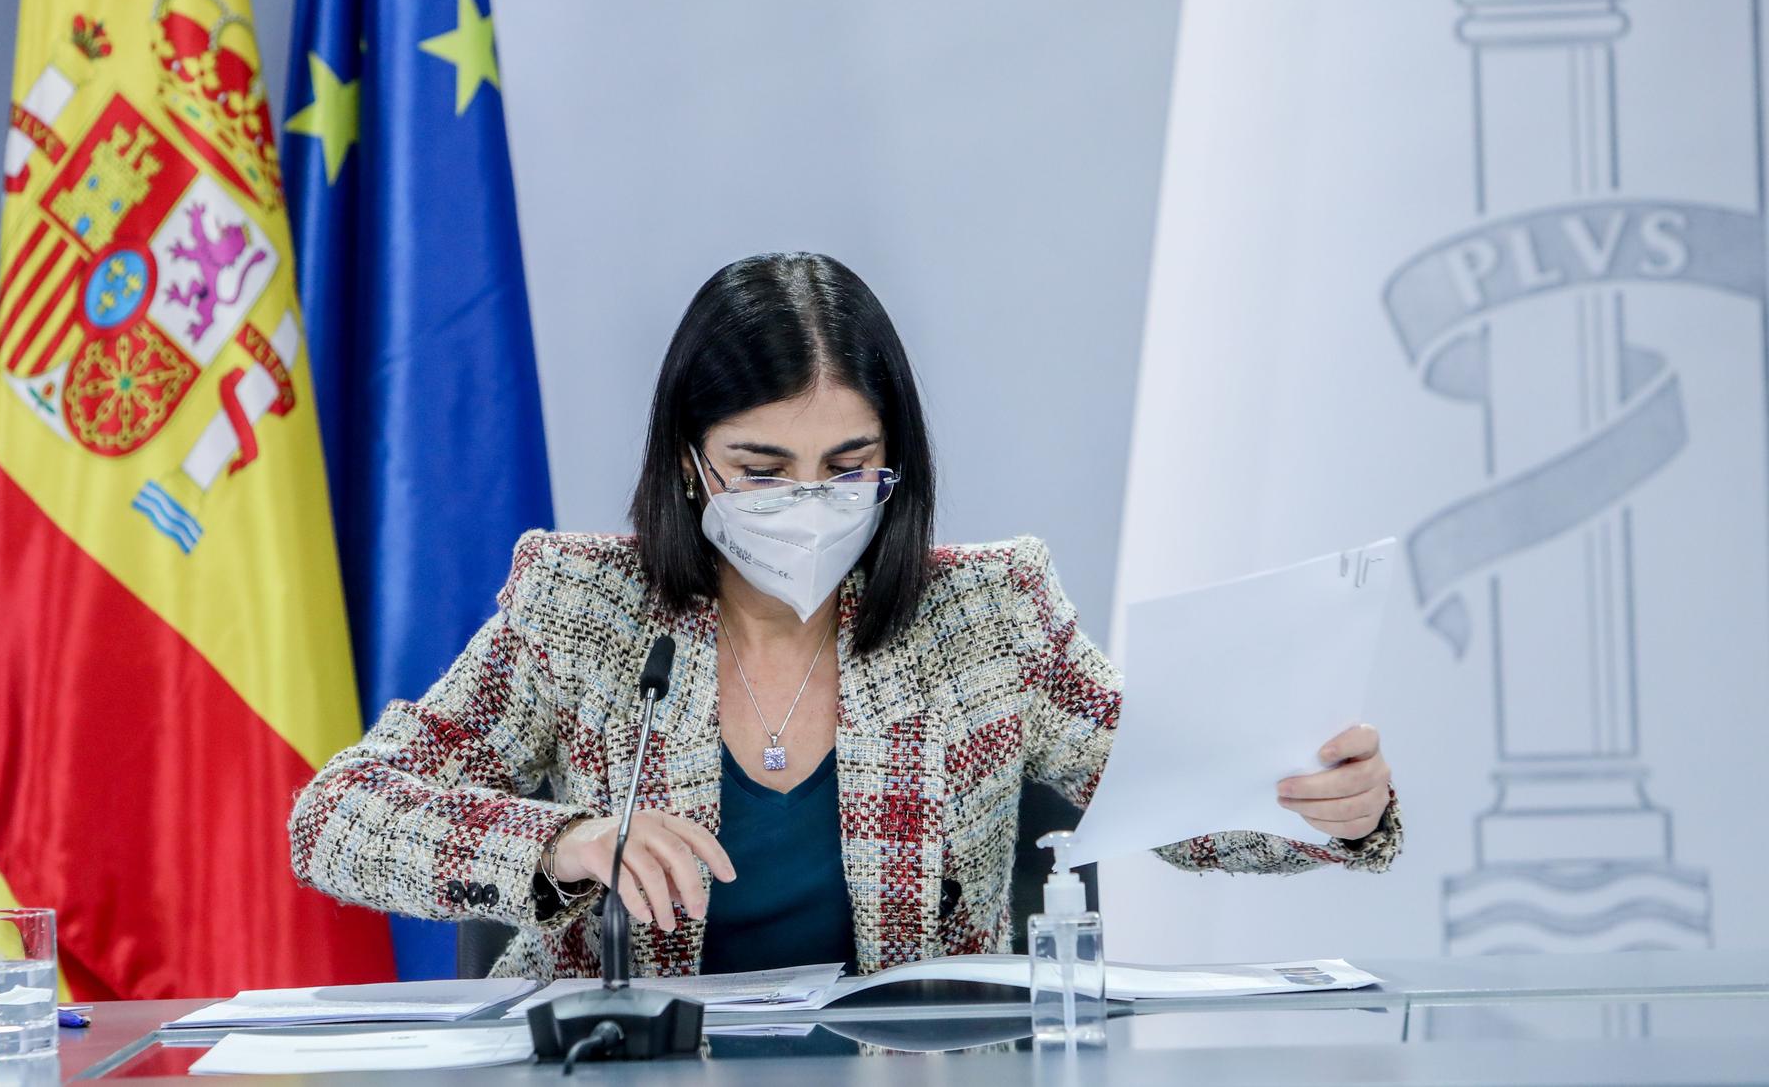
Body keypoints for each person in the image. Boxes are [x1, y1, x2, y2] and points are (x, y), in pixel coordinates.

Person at [288, 252, 1401, 981]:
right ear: (687, 462)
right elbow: (333, 817)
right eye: (759, 468)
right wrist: (565, 841)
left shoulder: (989, 613)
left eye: (845, 463)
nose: (804, 502)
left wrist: (1328, 809)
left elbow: (1181, 799)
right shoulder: (580, 604)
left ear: (894, 462)